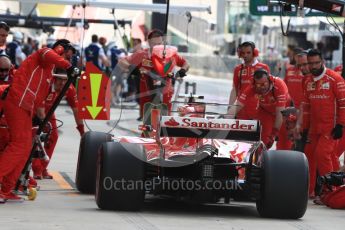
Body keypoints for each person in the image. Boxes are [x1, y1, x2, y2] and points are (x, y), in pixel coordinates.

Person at [0, 39, 77, 202]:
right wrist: (68, 67)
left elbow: (40, 100)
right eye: (67, 56)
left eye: (69, 59)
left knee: (26, 146)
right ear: (60, 49)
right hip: (17, 101)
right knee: (19, 145)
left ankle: (8, 188)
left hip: (25, 107)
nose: (68, 61)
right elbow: (47, 53)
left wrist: (41, 120)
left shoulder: (48, 72)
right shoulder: (43, 54)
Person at [118, 29, 189, 120]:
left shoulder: (170, 54)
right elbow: (122, 62)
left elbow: (186, 63)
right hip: (146, 95)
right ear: (149, 42)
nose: (156, 46)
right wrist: (133, 69)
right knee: (147, 126)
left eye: (159, 44)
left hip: (166, 94)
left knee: (165, 122)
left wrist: (182, 70)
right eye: (154, 44)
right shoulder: (142, 54)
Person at [302, 49, 345, 197]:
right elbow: (306, 107)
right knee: (308, 156)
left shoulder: (335, 79)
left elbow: (343, 104)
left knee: (322, 155)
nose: (313, 66)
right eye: (310, 63)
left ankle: (330, 192)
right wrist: (304, 127)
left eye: (316, 63)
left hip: (331, 127)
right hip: (314, 128)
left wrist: (341, 124)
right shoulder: (307, 80)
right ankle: (309, 191)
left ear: (322, 62)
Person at [32, 68, 84, 179]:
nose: (63, 83)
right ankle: (37, 169)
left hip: (49, 112)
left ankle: (43, 168)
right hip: (34, 111)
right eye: (60, 79)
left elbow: (76, 110)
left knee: (54, 136)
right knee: (37, 137)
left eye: (65, 80)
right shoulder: (45, 84)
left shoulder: (69, 88)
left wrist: (82, 131)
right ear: (54, 78)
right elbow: (39, 109)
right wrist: (43, 124)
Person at [228, 68, 289, 149]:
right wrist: (225, 120)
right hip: (265, 111)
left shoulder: (279, 85)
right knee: (262, 142)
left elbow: (280, 113)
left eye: (264, 84)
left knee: (285, 141)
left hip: (284, 112)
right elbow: (237, 106)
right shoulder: (251, 87)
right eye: (259, 85)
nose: (262, 87)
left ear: (269, 80)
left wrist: (274, 134)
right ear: (254, 83)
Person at [228, 41, 270, 120]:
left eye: (248, 52)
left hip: (258, 111)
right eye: (243, 53)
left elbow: (267, 90)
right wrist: (229, 108)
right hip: (241, 111)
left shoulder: (264, 68)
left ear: (254, 53)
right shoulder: (238, 69)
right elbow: (234, 90)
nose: (245, 55)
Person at [276, 47, 304, 150]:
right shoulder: (289, 70)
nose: (289, 57)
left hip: (303, 111)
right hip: (289, 109)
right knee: (283, 136)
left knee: (299, 140)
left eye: (291, 55)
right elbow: (284, 88)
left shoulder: (307, 72)